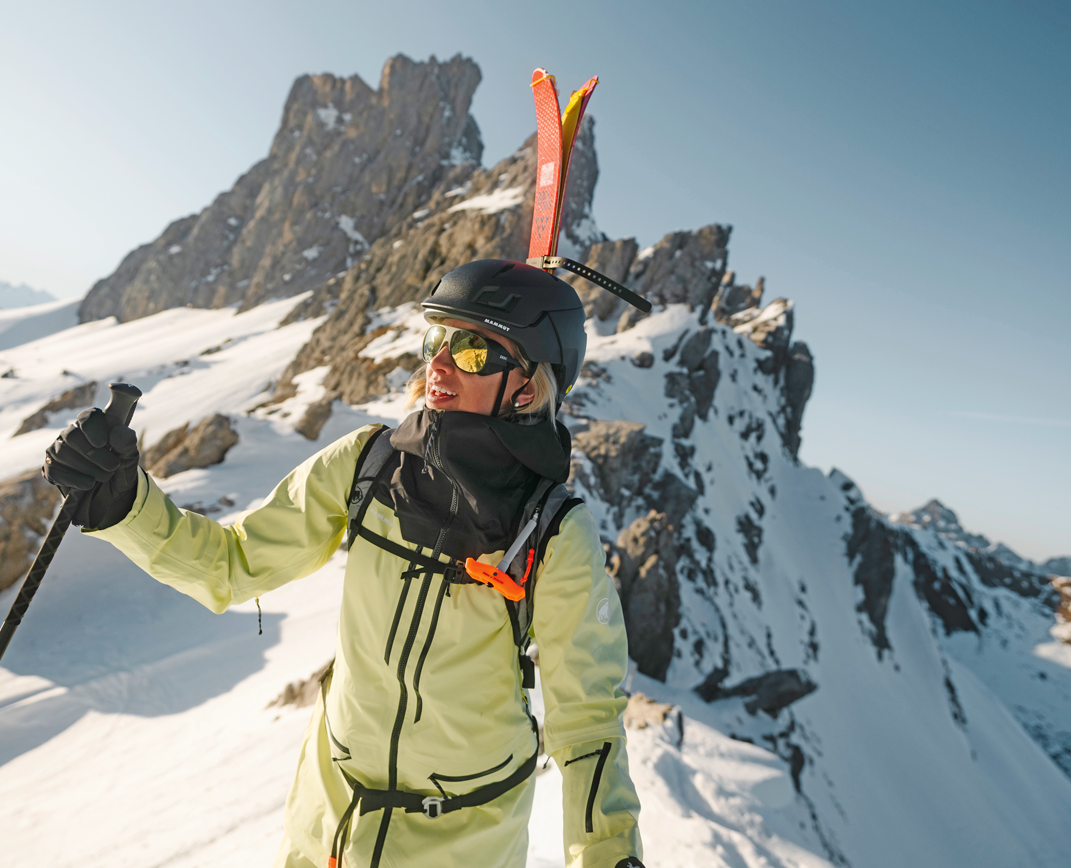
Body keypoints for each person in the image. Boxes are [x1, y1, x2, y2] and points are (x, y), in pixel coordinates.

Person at [44, 259, 646, 868]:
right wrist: (123, 502)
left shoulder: (553, 530)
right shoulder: (368, 465)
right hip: (328, 820)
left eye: (471, 352)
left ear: (528, 385)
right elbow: (233, 564)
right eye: (437, 339)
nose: (437, 364)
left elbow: (587, 722)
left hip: (464, 839)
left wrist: (608, 853)